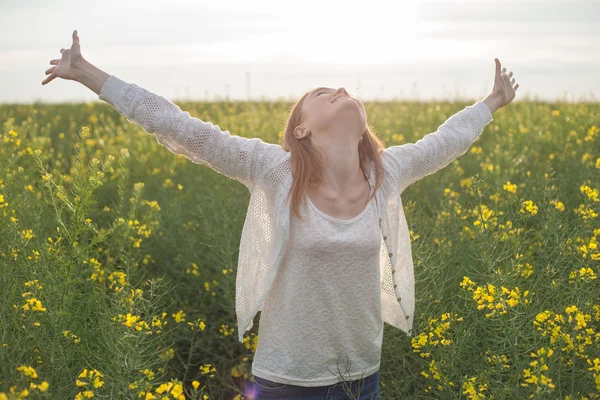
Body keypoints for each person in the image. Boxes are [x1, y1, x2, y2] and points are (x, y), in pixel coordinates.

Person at [42, 30, 518, 400]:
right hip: (285, 381)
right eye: (322, 91)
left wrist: (493, 101)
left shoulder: (386, 173)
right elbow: (179, 127)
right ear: (302, 128)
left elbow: (447, 140)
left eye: (341, 88)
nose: (340, 89)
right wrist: (87, 73)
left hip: (362, 378)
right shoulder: (275, 171)